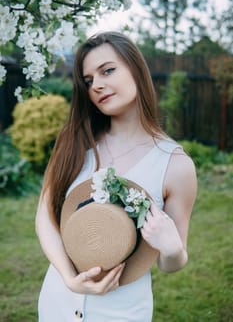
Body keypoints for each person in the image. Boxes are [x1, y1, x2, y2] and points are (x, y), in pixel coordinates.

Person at [36, 31, 197, 322]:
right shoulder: (75, 142)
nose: (97, 85)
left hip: (122, 311)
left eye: (107, 70)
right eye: (88, 81)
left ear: (135, 69)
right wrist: (70, 278)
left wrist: (172, 247)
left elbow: (171, 263)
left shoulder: (174, 165)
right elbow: (45, 217)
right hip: (57, 300)